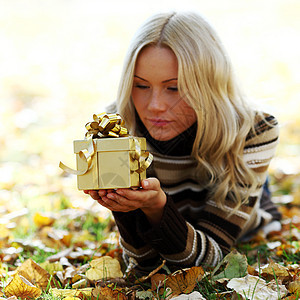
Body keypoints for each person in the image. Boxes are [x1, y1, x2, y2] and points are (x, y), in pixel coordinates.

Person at [84, 11, 281, 271]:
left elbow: (208, 260)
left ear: (208, 84)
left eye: (174, 88)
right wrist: (125, 207)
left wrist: (157, 207)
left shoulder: (254, 129)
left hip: (233, 213)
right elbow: (143, 263)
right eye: (141, 86)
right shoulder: (116, 127)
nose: (155, 106)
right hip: (171, 223)